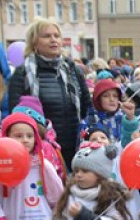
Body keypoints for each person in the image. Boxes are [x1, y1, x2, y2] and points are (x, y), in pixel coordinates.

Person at [7, 18, 92, 166]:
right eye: (46, 36)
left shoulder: (72, 70)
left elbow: (87, 107)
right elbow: (16, 117)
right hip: (42, 149)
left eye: (56, 35)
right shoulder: (23, 73)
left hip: (75, 145)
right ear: (34, 42)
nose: (53, 40)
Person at [79, 79, 139, 146]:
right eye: (106, 96)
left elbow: (130, 145)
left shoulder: (123, 118)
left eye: (115, 96)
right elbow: (82, 149)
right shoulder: (88, 121)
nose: (112, 99)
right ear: (98, 99)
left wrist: (130, 119)